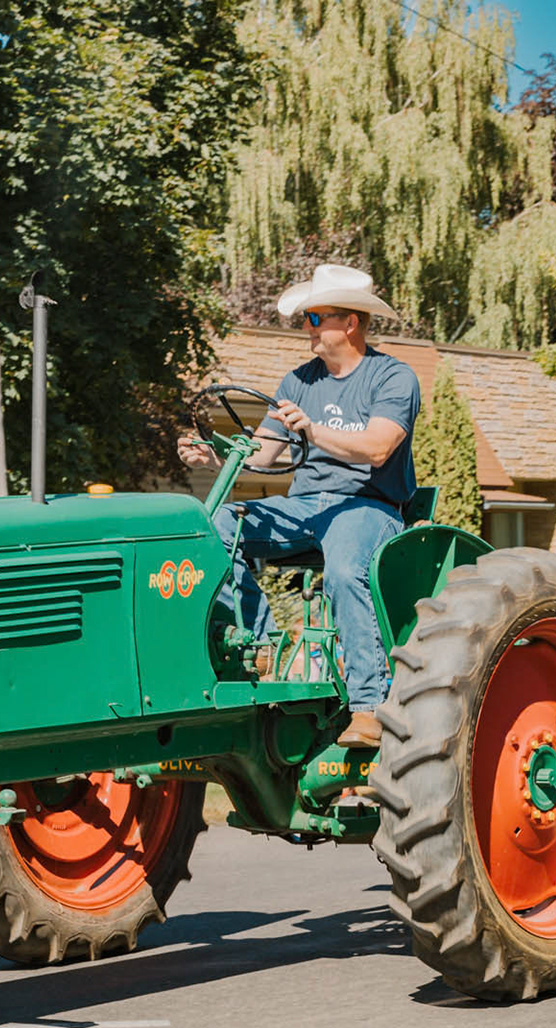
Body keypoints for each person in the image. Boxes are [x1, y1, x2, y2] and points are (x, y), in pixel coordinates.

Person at [177, 264, 419, 749]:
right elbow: (264, 452)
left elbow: (376, 448)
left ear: (349, 322)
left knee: (346, 569)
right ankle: (265, 649)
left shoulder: (393, 376)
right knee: (215, 528)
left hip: (367, 505)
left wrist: (312, 431)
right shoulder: (298, 380)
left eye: (313, 317)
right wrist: (216, 452)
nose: (304, 327)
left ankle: (368, 705)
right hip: (305, 506)